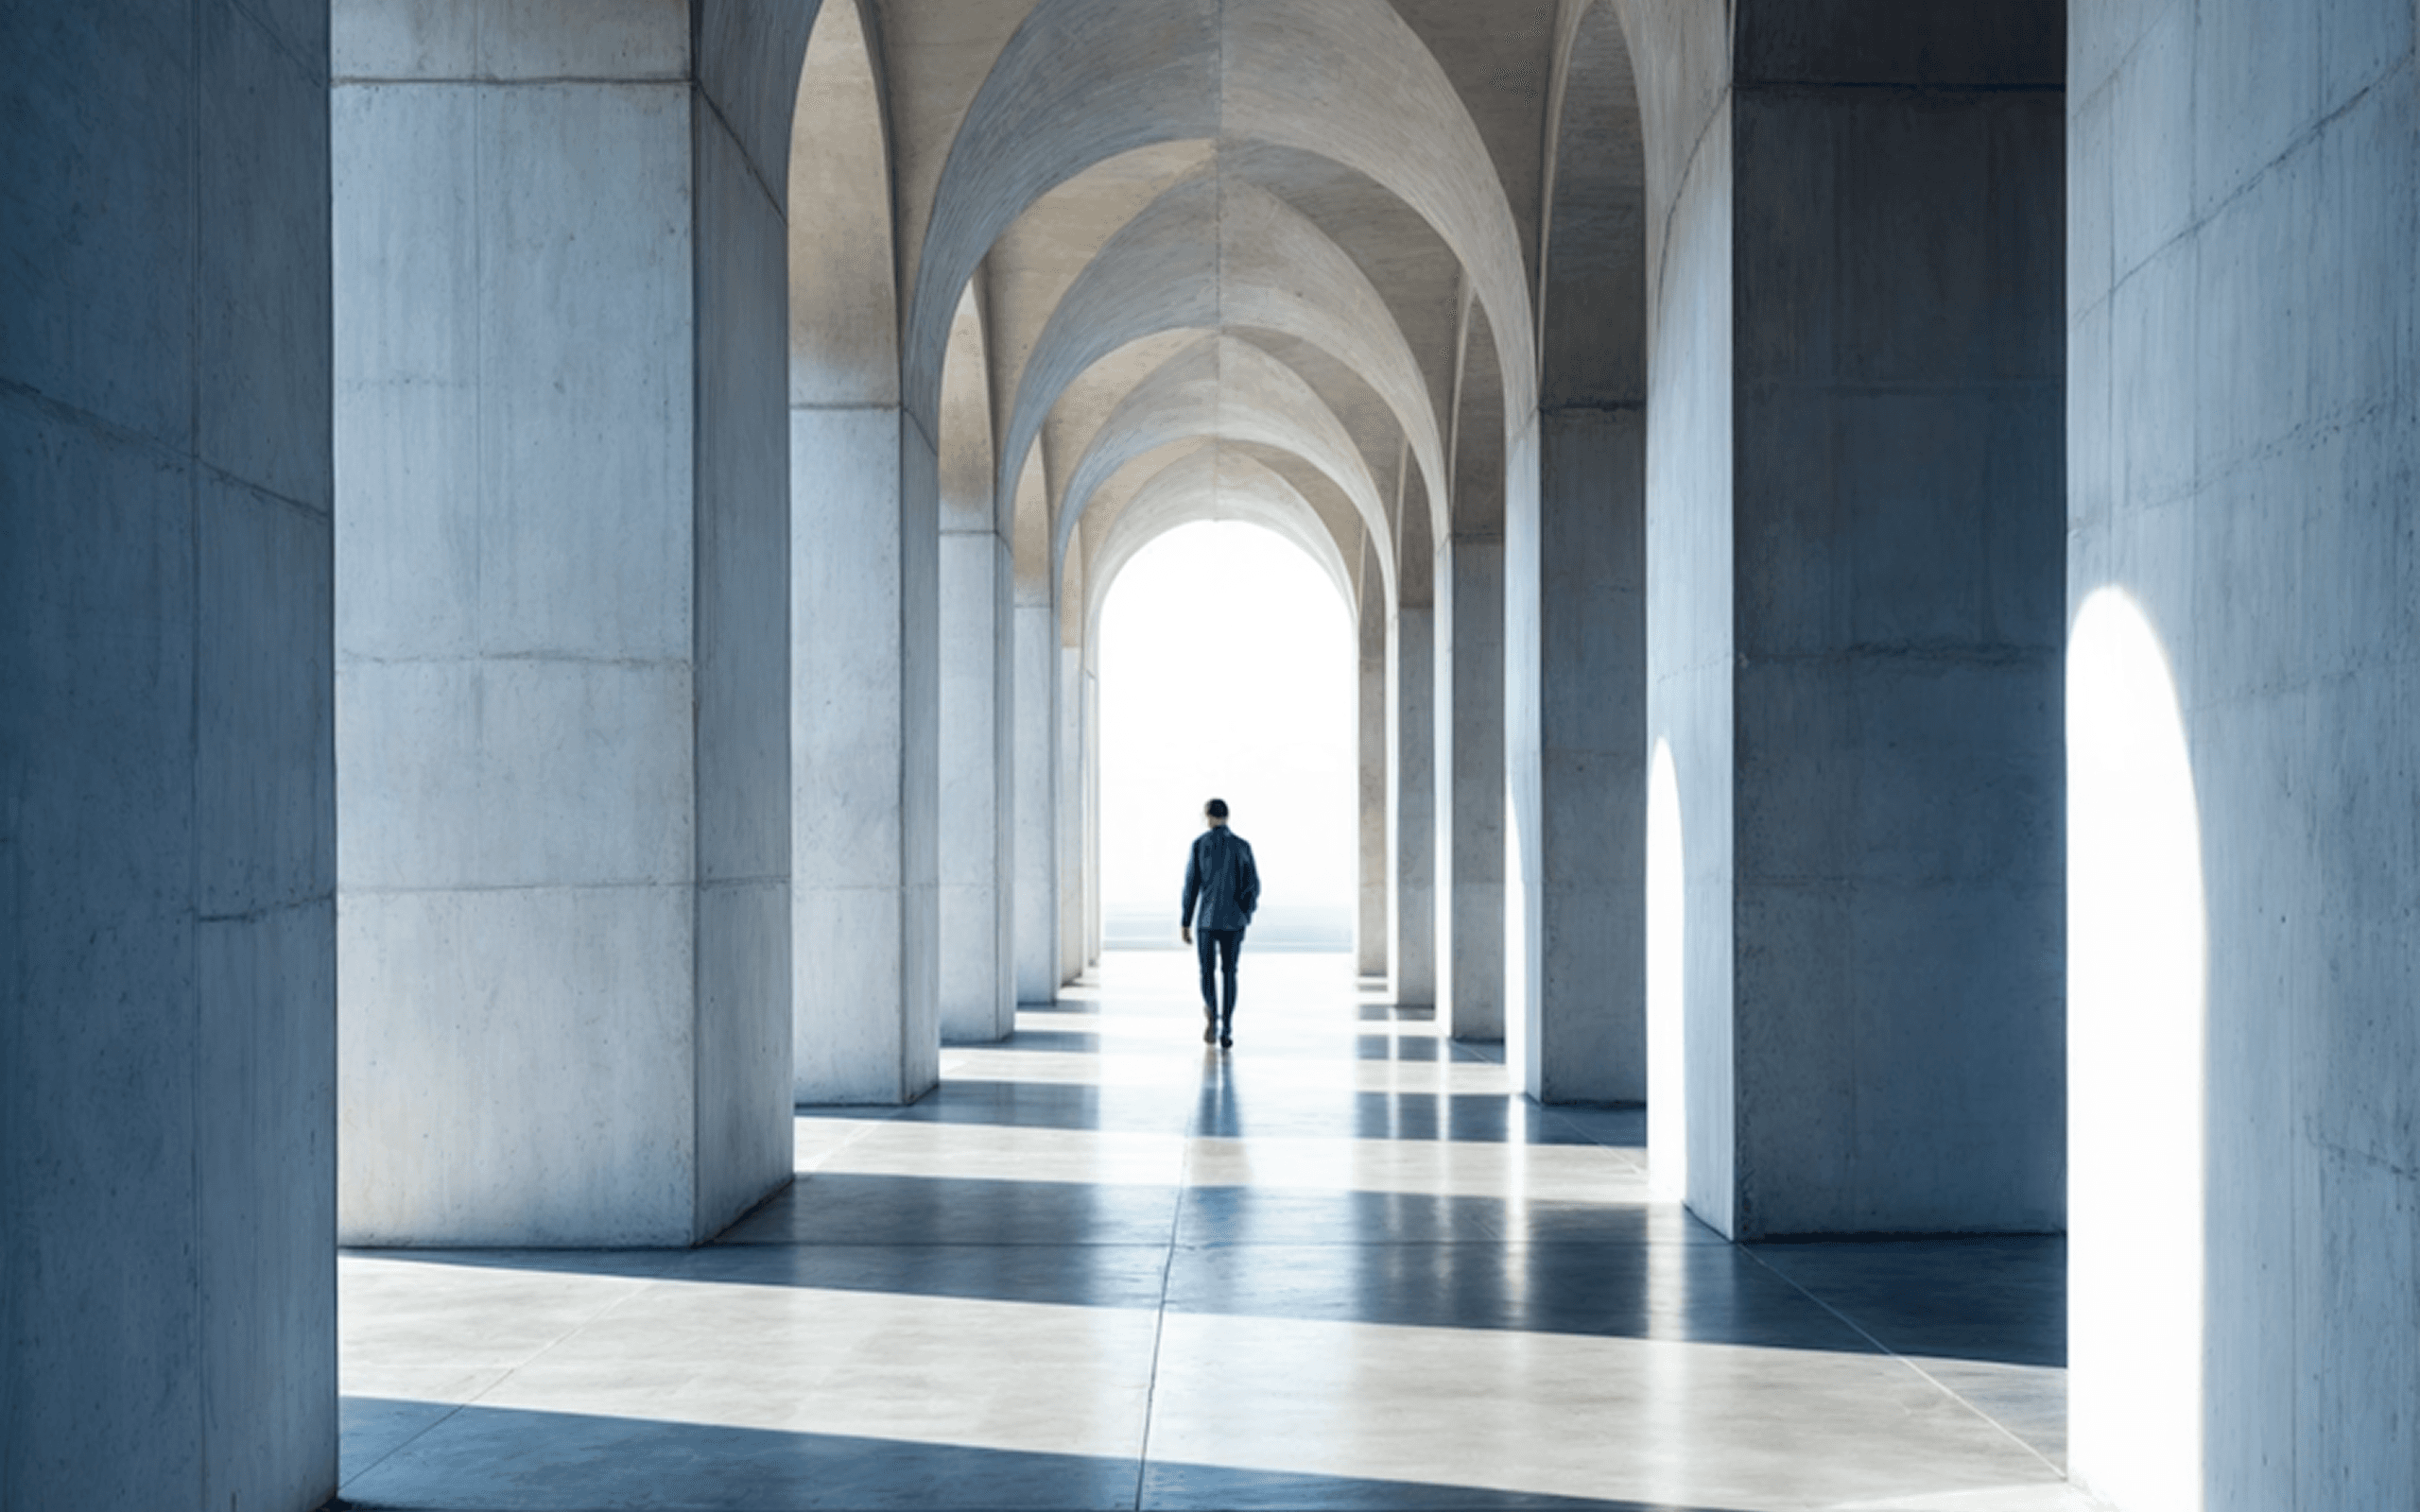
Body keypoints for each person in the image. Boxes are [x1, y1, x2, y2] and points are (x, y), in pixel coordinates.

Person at [1180, 798, 1259, 1048]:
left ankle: (1212, 1012)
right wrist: (1246, 913)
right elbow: (1253, 886)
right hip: (1234, 921)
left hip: (1206, 920)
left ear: (1208, 816)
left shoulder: (1200, 845)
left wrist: (1185, 920)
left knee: (1206, 972)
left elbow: (1191, 886)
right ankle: (1227, 1027)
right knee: (1229, 973)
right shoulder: (1242, 846)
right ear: (1227, 816)